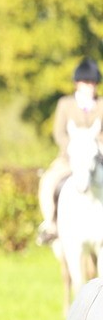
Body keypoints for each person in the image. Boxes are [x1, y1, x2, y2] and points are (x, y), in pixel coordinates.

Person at [38, 57, 103, 244]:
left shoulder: (102, 105)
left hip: (96, 156)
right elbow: (59, 132)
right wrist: (74, 149)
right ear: (77, 84)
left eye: (92, 83)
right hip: (70, 157)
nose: (89, 87)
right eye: (86, 82)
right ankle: (51, 224)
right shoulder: (65, 104)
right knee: (48, 182)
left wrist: (95, 147)